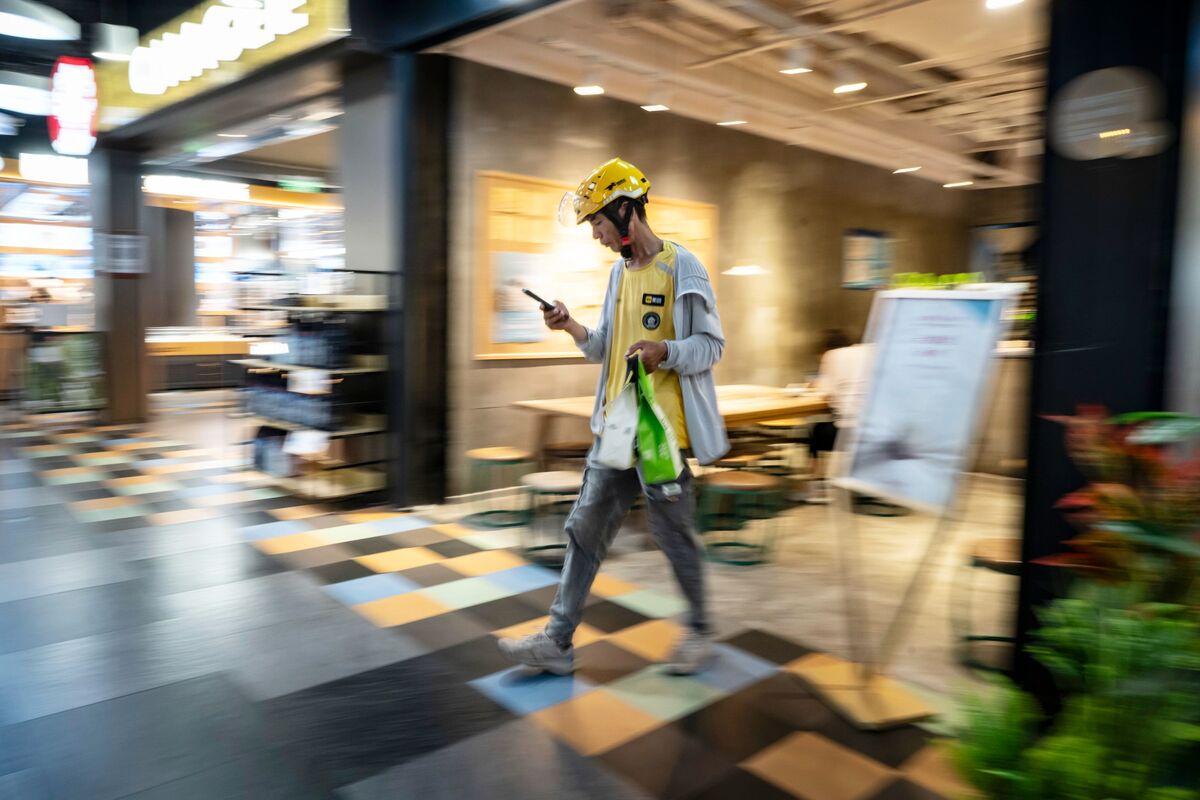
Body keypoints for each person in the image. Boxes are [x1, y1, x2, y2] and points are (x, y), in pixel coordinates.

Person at [498, 158, 729, 676]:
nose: (596, 235)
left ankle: (699, 631)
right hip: (618, 427)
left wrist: (665, 351)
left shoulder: (682, 267)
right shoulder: (618, 274)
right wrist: (570, 326)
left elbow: (712, 346)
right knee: (585, 528)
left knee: (672, 535)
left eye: (599, 223)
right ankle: (557, 642)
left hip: (660, 433)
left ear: (626, 211)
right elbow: (604, 345)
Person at [807, 329, 869, 503]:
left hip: (849, 432)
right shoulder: (867, 351)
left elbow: (826, 393)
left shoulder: (832, 356)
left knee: (815, 431)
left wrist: (818, 385)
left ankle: (817, 485)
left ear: (825, 349)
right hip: (880, 429)